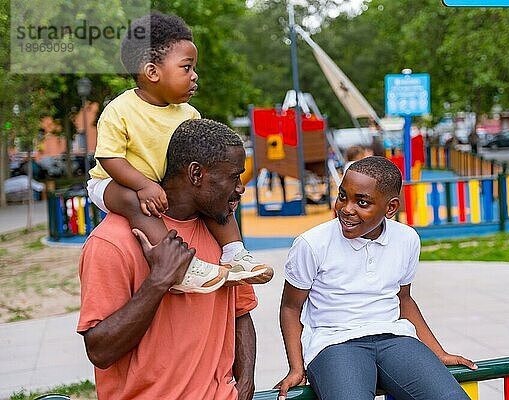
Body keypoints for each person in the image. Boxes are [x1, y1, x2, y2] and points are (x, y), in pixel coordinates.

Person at [78, 118, 265, 400]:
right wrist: (159, 280)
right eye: (233, 177)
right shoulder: (111, 242)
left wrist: (246, 382)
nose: (240, 188)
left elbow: (240, 312)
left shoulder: (223, 237)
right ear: (196, 173)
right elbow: (99, 351)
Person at [87, 12, 272, 294]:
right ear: (152, 72)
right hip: (114, 183)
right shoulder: (120, 110)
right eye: (186, 68)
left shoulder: (189, 114)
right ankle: (178, 265)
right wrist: (143, 185)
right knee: (133, 202)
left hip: (159, 184)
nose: (194, 75)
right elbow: (110, 158)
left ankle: (235, 254)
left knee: (213, 196)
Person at [276, 156, 476, 400]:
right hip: (335, 343)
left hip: (395, 338)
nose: (347, 209)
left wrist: (438, 352)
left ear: (390, 208)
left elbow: (404, 300)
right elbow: (290, 307)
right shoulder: (312, 244)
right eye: (342, 196)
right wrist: (296, 368)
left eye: (362, 202)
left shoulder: (407, 239)